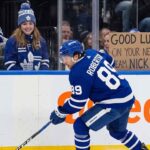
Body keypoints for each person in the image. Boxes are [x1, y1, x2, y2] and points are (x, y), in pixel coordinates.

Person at [50, 40, 149, 150]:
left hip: (113, 102)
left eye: (65, 57)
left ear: (76, 56)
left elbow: (78, 103)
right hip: (127, 95)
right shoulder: (91, 52)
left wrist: (61, 112)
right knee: (117, 132)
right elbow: (111, 61)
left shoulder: (77, 73)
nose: (63, 61)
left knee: (80, 125)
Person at [4, 2, 49, 70]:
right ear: (20, 25)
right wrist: (24, 76)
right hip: (18, 79)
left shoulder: (41, 41)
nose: (28, 26)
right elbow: (9, 64)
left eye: (30, 23)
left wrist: (39, 76)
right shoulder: (12, 41)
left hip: (38, 79)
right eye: (24, 24)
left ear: (34, 25)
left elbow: (45, 62)